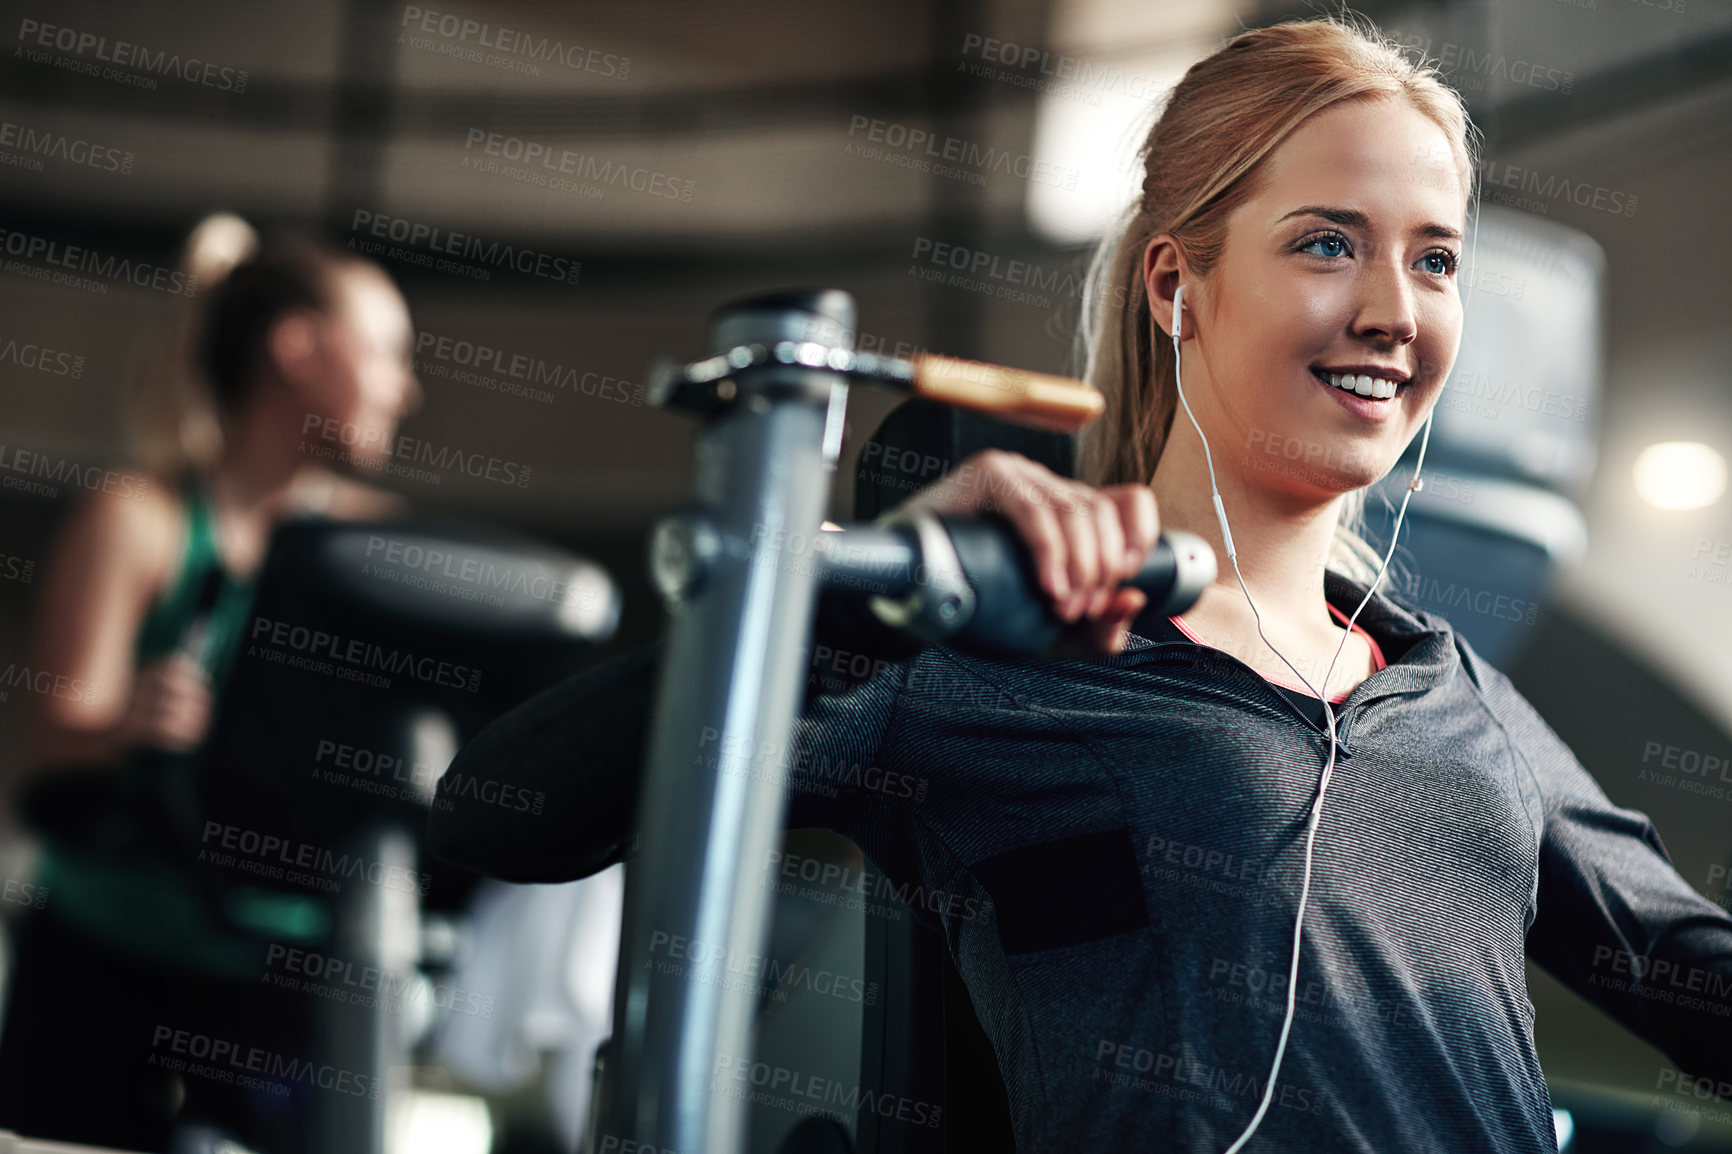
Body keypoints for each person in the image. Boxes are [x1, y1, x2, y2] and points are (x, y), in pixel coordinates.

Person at [427, 14, 1732, 1153]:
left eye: (1435, 256)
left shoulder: (1461, 695)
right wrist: (851, 595)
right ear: (1180, 282)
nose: (1397, 305)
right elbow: (500, 812)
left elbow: (1693, 977)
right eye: (1329, 243)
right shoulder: (998, 649)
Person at [0, 224, 422, 1152]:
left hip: (284, 975)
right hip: (104, 965)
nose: (408, 387)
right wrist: (131, 727)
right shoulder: (139, 518)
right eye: (388, 353)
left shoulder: (387, 549)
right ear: (299, 350)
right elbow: (56, 736)